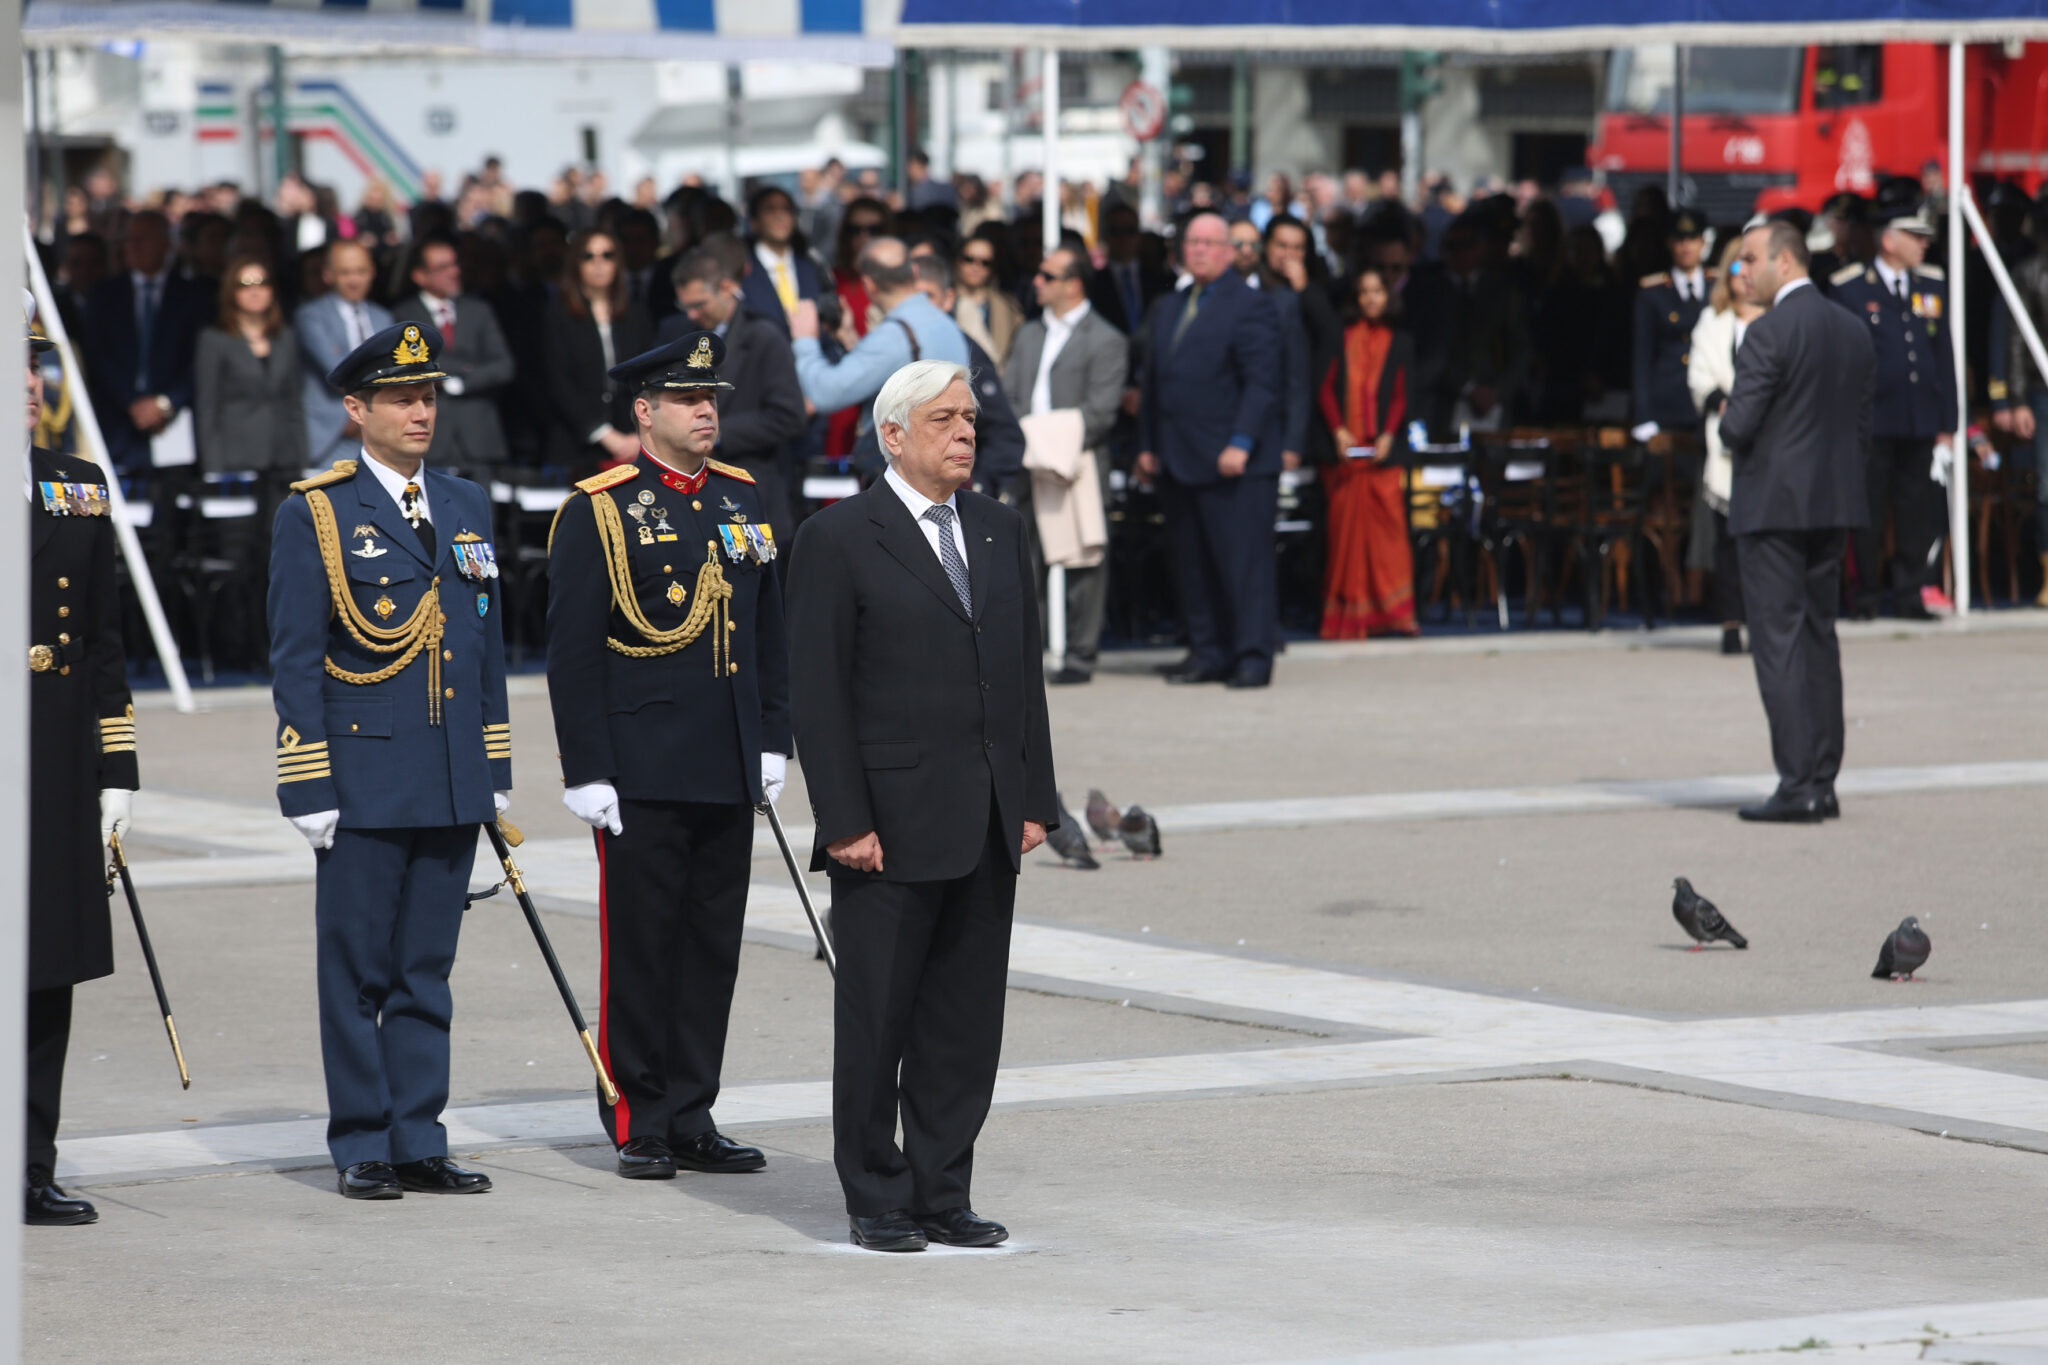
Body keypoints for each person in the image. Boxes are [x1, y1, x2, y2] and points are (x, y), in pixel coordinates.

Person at [785, 359, 1058, 1253]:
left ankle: (944, 1186)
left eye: (971, 418)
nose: (966, 433)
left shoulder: (997, 527)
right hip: (889, 826)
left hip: (985, 814)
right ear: (892, 435)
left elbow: (1022, 678)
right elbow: (818, 697)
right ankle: (876, 1192)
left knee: (963, 1019)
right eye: (944, 419)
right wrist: (844, 820)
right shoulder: (838, 538)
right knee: (879, 1018)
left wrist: (1035, 796)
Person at [267, 321, 512, 1198]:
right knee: (359, 969)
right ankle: (362, 1139)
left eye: (429, 394)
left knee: (424, 970)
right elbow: (296, 655)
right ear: (355, 407)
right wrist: (306, 777)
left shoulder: (464, 503)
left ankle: (419, 1134)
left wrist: (492, 768)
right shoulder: (319, 511)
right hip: (365, 776)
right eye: (402, 396)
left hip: (448, 772)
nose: (420, 409)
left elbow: (484, 645)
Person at [545, 331, 790, 1180]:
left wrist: (772, 738)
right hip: (642, 763)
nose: (707, 411)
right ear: (644, 412)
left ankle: (693, 1109)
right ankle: (638, 1113)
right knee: (644, 945)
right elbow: (573, 651)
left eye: (712, 397)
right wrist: (587, 768)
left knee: (710, 944)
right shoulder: (599, 508)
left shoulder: (743, 499)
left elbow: (768, 633)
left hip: (725, 757)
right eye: (689, 399)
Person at [23, 302, 139, 1226]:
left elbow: (104, 640)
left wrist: (116, 772)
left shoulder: (77, 486)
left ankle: (28, 1164)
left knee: (44, 970)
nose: (27, 383)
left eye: (32, 364)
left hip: (54, 766)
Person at [1719, 220, 1874, 824]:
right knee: (1818, 637)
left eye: (1751, 258)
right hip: (1832, 503)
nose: (1742, 270)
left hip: (1773, 508)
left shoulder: (1768, 333)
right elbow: (1861, 428)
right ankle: (1823, 780)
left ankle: (1797, 782)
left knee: (1779, 643)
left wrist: (1729, 418)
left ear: (1785, 262)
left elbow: (1738, 427)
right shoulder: (1853, 329)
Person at [1136, 210, 1281, 689]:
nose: (1197, 249)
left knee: (1241, 563)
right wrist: (1148, 445)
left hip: (1233, 461)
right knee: (1192, 563)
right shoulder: (1172, 305)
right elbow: (1155, 382)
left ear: (1229, 250)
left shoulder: (1249, 304)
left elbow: (1262, 384)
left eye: (1208, 242)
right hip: (1178, 455)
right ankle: (1207, 651)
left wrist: (1241, 442)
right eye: (1191, 242)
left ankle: (1252, 655)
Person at [1002, 242, 1128, 682]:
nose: (1037, 282)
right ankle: (1023, 659)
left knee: (1084, 562)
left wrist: (1042, 438)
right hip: (1027, 462)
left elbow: (1101, 412)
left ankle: (1080, 655)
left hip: (1077, 463)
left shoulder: (1107, 339)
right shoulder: (1029, 333)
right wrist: (1027, 442)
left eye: (1048, 276)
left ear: (1073, 284)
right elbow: (1009, 395)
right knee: (1022, 561)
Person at [1828, 206, 1959, 619]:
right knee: (1866, 509)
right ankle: (1866, 596)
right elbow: (1841, 361)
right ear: (1889, 240)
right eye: (1914, 235)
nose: (1925, 243)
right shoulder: (1849, 288)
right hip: (1872, 421)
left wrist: (1948, 421)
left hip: (1919, 418)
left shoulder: (1932, 284)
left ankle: (1908, 594)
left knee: (1914, 511)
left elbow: (1943, 356)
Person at [662, 245, 808, 531]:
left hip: (752, 490)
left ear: (727, 288)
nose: (691, 315)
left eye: (699, 304)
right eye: (686, 306)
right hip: (695, 493)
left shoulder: (764, 335)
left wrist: (715, 432)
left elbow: (789, 416)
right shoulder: (684, 336)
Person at [1316, 266, 1418, 639]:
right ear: (1355, 299)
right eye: (1364, 292)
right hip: (1345, 455)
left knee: (1390, 538)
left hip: (1382, 454)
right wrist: (1339, 431)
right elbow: (1324, 388)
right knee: (1344, 540)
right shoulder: (1339, 338)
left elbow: (1401, 395)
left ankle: (1394, 615)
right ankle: (1350, 615)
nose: (1371, 298)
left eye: (1377, 291)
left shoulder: (1400, 341)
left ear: (1388, 296)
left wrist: (1389, 434)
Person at [80, 209, 215, 470]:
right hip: (118, 423)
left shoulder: (195, 295)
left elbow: (201, 359)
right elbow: (97, 356)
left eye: (142, 239)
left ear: (166, 244)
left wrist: (166, 402)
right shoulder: (105, 294)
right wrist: (131, 402)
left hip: (174, 423)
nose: (133, 247)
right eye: (128, 240)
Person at [790, 236, 969, 427]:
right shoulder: (945, 323)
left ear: (869, 284)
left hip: (904, 453)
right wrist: (850, 338)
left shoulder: (893, 336)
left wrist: (805, 339)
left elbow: (824, 394)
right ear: (915, 272)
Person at [1689, 239, 1762, 655]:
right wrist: (1724, 401)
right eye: (1736, 268)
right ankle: (1731, 621)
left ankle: (1763, 620)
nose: (1743, 277)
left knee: (1765, 541)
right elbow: (1699, 377)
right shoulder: (1712, 322)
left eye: (1750, 268)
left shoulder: (1776, 318)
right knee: (1728, 538)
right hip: (1727, 439)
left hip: (1769, 441)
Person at [391, 238, 514, 480]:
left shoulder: (478, 310)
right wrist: (464, 367)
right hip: (430, 438)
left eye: (454, 264)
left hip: (478, 437)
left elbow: (503, 365)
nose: (454, 272)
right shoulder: (403, 314)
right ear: (420, 276)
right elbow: (410, 365)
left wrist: (461, 381)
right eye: (442, 267)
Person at [195, 256, 309, 489]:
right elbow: (207, 408)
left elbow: (295, 403)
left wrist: (302, 458)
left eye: (262, 283)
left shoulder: (285, 337)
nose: (255, 291)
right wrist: (212, 468)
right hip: (235, 458)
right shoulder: (214, 339)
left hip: (284, 457)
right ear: (231, 292)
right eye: (245, 285)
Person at [547, 228, 654, 471]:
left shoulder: (636, 313)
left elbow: (648, 376)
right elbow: (557, 381)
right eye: (588, 256)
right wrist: (603, 434)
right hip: (577, 445)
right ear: (576, 263)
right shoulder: (557, 313)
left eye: (607, 255)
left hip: (634, 441)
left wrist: (640, 433)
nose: (599, 263)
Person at [1989, 202, 2048, 604]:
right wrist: (2013, 397)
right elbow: (2014, 338)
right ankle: (2047, 574)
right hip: (2041, 391)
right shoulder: (2030, 273)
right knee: (2047, 485)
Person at [295, 241, 394, 467]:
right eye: (345, 272)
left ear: (372, 273)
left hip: (377, 433)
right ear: (328, 275)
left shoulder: (384, 317)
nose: (354, 280)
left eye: (361, 271)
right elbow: (338, 371)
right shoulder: (311, 315)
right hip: (331, 434)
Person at [1631, 211, 1713, 445]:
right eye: (1679, 239)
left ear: (1703, 242)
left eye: (1692, 239)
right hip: (1665, 402)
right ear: (1669, 243)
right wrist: (1643, 414)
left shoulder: (1717, 287)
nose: (1686, 246)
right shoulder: (1652, 292)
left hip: (1705, 399)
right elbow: (1642, 357)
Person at [738, 186, 825, 338]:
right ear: (753, 222)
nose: (779, 216)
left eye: (786, 209)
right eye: (770, 209)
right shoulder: (742, 269)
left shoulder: (812, 265)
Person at [950, 235, 1023, 365]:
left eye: (985, 262)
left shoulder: (1008, 306)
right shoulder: (944, 301)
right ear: (958, 261)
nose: (976, 267)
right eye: (969, 259)